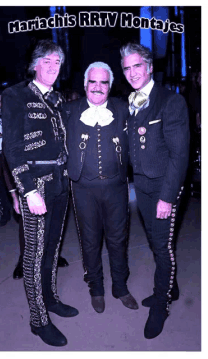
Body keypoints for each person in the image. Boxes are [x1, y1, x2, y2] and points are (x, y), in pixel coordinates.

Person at [2, 39, 78, 347]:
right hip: (36, 185)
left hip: (60, 182)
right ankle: (38, 319)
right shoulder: (15, 95)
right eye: (47, 61)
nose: (52, 66)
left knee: (52, 247)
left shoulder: (58, 99)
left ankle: (51, 297)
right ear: (35, 64)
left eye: (57, 62)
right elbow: (12, 148)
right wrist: (26, 190)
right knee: (32, 256)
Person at [120, 42, 190, 339]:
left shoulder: (170, 101)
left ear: (149, 67)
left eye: (137, 66)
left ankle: (161, 304)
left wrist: (167, 197)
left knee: (162, 248)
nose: (132, 72)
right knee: (153, 239)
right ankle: (170, 289)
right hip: (143, 185)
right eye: (126, 68)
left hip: (164, 187)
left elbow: (179, 155)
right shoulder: (130, 101)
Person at [63, 61, 138, 314]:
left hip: (116, 187)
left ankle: (120, 286)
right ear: (85, 84)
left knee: (118, 240)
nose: (97, 87)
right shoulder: (69, 110)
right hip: (82, 188)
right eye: (92, 82)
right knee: (90, 240)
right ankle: (96, 288)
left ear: (110, 86)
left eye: (103, 82)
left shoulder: (123, 108)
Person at [0, 90, 11, 226]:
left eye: (2, 101)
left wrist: (3, 135)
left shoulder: (12, 113)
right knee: (1, 186)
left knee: (14, 185)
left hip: (10, 154)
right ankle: (5, 214)